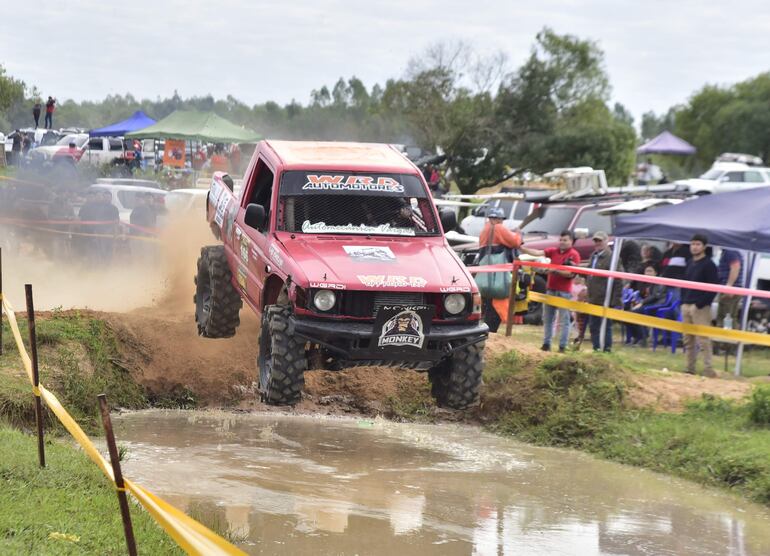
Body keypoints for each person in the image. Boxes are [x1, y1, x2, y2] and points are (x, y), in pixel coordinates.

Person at [520, 230, 581, 352]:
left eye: (565, 240)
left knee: (564, 321)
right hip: (551, 290)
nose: (562, 242)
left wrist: (554, 271)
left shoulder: (574, 255)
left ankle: (562, 346)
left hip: (564, 292)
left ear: (572, 241)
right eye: (561, 240)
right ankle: (546, 344)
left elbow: (571, 274)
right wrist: (521, 248)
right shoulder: (553, 251)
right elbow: (537, 253)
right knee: (547, 318)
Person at [477, 207, 522, 333]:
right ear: (496, 219)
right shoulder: (498, 228)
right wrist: (518, 233)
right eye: (501, 219)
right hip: (498, 275)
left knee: (487, 303)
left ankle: (484, 330)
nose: (502, 222)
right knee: (497, 301)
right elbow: (515, 241)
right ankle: (490, 331)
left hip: (485, 273)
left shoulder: (484, 230)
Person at [681, 233, 719, 377]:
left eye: (698, 244)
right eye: (693, 244)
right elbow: (684, 283)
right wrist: (683, 301)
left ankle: (708, 369)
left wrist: (701, 304)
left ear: (704, 247)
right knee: (687, 339)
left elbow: (714, 287)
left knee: (703, 339)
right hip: (687, 304)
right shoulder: (690, 262)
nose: (694, 247)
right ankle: (689, 368)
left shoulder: (709, 264)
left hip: (700, 307)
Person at [586, 231, 623, 352]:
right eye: (596, 241)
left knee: (605, 326)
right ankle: (596, 348)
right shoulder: (593, 256)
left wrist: (615, 300)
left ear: (607, 241)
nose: (597, 243)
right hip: (593, 297)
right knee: (593, 326)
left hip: (606, 298)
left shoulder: (612, 258)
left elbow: (618, 280)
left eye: (600, 241)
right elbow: (589, 274)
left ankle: (606, 350)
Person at [627, 263, 668, 346]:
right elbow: (640, 294)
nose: (647, 273)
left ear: (655, 273)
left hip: (655, 306)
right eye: (646, 271)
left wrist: (641, 303)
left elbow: (655, 297)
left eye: (650, 271)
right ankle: (637, 337)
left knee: (634, 313)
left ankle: (643, 337)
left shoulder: (659, 282)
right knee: (626, 314)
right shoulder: (644, 282)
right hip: (646, 305)